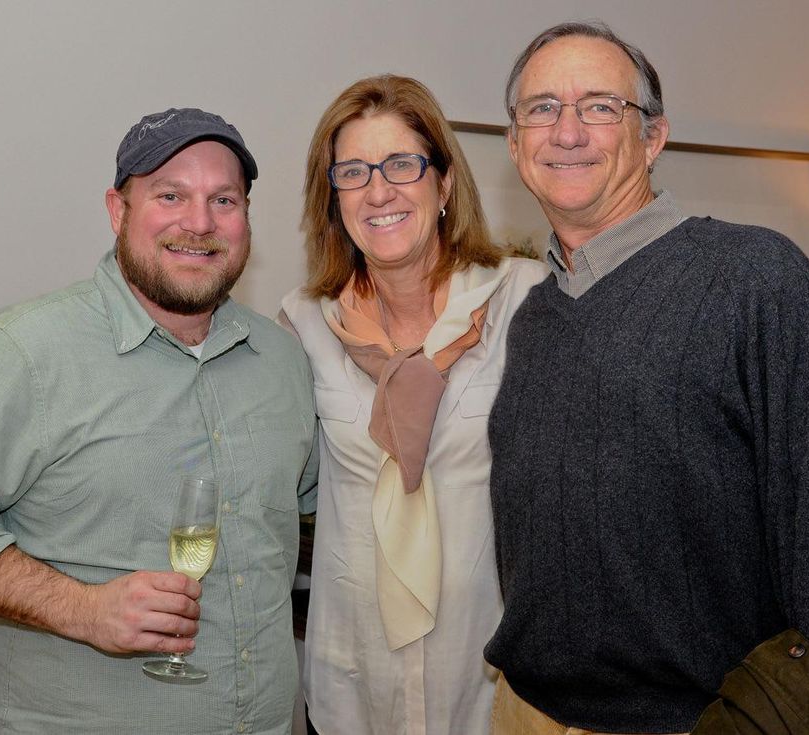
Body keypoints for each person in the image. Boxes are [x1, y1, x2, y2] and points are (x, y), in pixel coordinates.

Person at [485, 20, 809, 734]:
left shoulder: (757, 279)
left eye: (600, 106)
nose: (566, 131)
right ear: (515, 144)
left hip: (699, 722)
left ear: (653, 137)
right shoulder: (534, 317)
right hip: (523, 712)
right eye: (542, 108)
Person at [0, 107, 317, 734]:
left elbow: (326, 513)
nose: (200, 222)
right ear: (118, 211)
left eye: (223, 200)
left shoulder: (282, 360)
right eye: (170, 195)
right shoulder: (27, 349)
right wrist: (82, 609)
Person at [280, 75, 546, 735]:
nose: (378, 191)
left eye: (402, 164)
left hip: (488, 680)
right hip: (354, 684)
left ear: (444, 182)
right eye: (353, 172)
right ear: (333, 198)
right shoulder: (304, 324)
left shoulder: (521, 301)